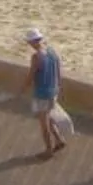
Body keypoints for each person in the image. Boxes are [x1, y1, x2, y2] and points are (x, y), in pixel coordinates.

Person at [26, 28, 69, 156]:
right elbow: (58, 72)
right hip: (53, 91)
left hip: (42, 93)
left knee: (44, 123)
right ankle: (59, 140)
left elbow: (31, 76)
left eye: (29, 42)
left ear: (33, 42)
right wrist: (58, 87)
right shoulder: (53, 52)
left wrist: (21, 89)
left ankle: (48, 150)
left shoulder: (36, 57)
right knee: (48, 116)